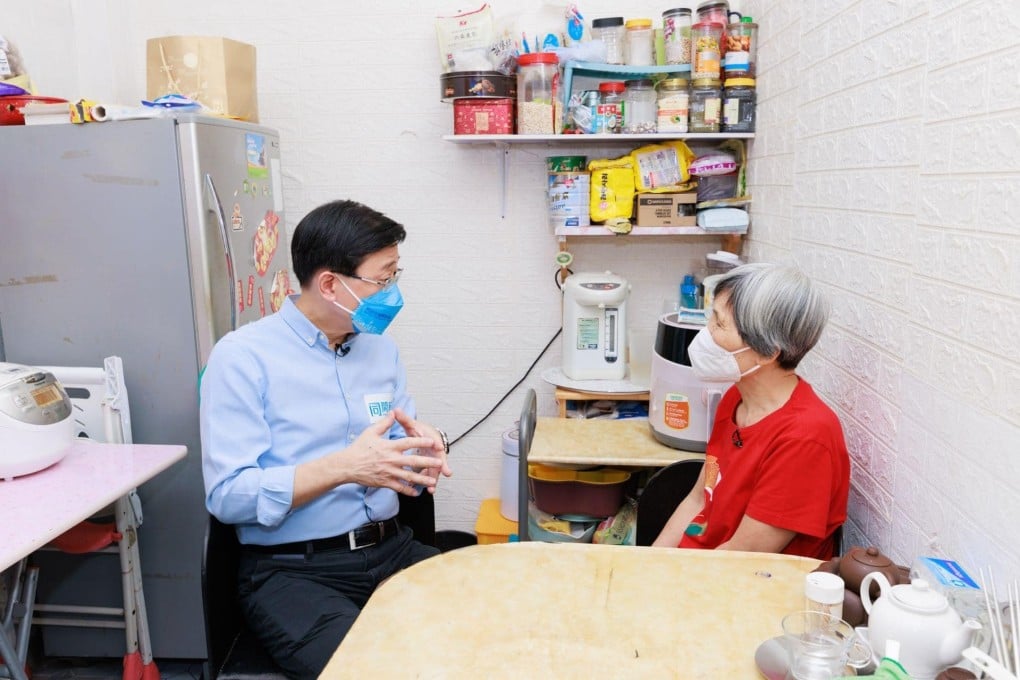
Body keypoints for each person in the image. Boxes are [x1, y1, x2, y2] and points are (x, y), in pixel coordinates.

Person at [201, 199, 452, 679]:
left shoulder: (380, 351)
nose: (393, 293)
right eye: (383, 281)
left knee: (492, 630)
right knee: (377, 671)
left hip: (391, 551)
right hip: (293, 572)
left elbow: (398, 456)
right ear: (331, 284)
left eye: (396, 276)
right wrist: (345, 467)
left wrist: (426, 453)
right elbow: (228, 496)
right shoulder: (242, 359)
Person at [653, 263, 849, 559]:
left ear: (769, 352)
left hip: (742, 582)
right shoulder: (736, 397)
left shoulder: (805, 437)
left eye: (720, 325)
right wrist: (649, 563)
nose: (706, 334)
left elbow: (741, 558)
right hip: (700, 563)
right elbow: (698, 500)